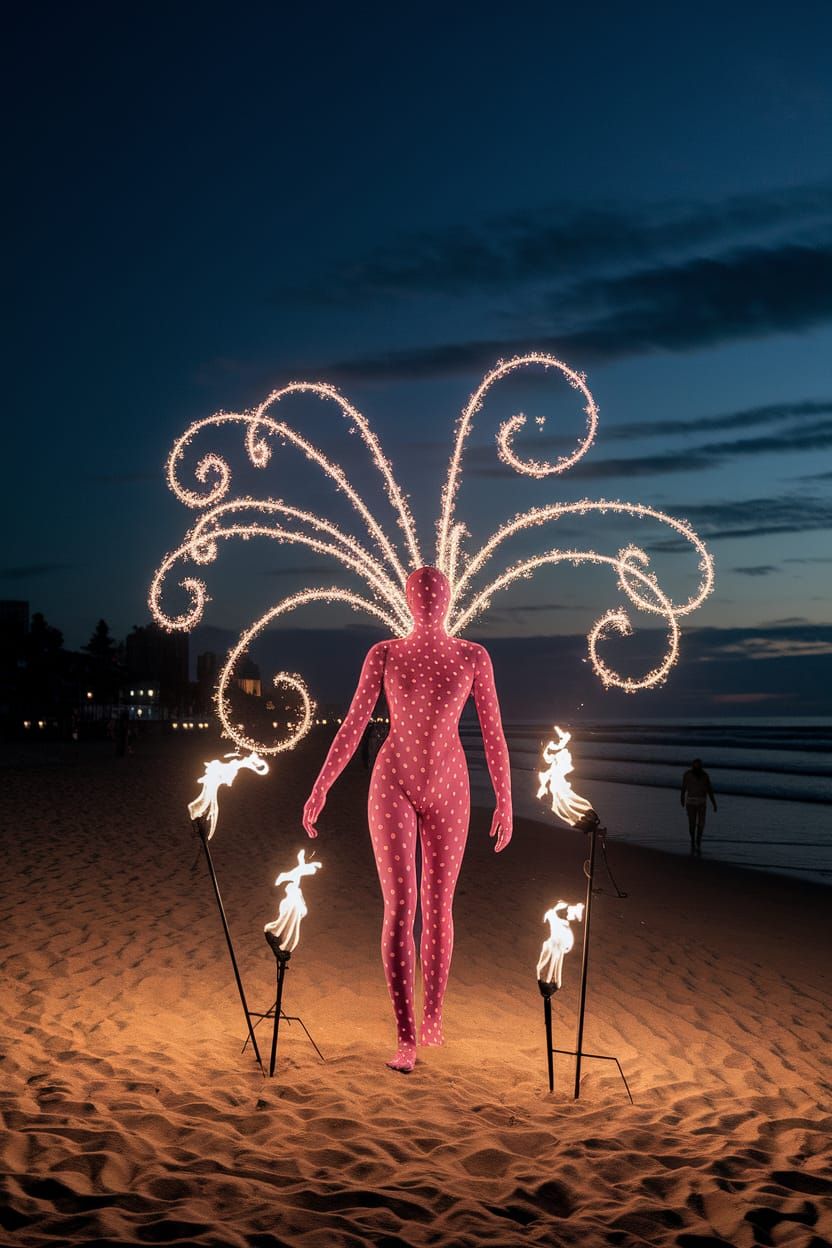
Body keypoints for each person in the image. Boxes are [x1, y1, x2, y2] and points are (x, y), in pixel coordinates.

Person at [302, 566, 513, 1073]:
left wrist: (506, 798)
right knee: (401, 907)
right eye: (419, 593)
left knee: (438, 906)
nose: (426, 600)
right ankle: (406, 1036)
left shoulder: (472, 656)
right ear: (407, 599)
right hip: (391, 779)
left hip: (451, 786)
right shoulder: (385, 653)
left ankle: (433, 1016)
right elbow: (354, 724)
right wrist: (321, 784)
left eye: (433, 593)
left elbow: (493, 733)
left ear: (446, 600)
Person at [681, 758, 717, 853]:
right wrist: (682, 797)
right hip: (690, 802)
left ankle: (698, 840)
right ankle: (693, 840)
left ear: (701, 766)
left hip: (702, 803)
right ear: (693, 766)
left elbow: (710, 790)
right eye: (695, 765)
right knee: (692, 824)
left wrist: (714, 803)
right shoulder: (687, 775)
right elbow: (683, 787)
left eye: (699, 765)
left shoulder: (705, 776)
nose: (697, 767)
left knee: (701, 824)